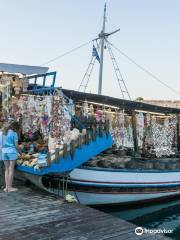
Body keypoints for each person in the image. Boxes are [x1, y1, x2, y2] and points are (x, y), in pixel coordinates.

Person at [2, 121, 20, 192]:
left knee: (6, 169)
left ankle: (6, 187)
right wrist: (20, 152)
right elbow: (16, 146)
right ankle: (10, 188)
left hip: (4, 152)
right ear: (15, 128)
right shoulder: (14, 133)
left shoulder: (4, 133)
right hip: (11, 152)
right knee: (11, 169)